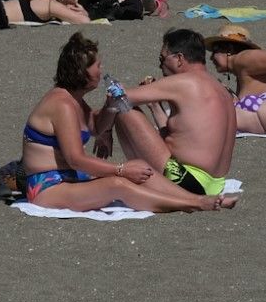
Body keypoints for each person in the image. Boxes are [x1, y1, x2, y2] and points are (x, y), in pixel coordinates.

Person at [12, 34, 234, 213]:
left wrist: (111, 106)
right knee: (119, 183)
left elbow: (97, 126)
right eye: (98, 65)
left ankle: (196, 199)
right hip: (46, 185)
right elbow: (76, 159)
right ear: (83, 71)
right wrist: (121, 169)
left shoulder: (75, 102)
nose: (102, 70)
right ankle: (195, 203)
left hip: (69, 178)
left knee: (138, 174)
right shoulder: (63, 105)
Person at [107, 29, 238, 198]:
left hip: (186, 181)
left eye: (162, 59)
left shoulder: (184, 82)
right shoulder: (220, 89)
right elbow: (178, 137)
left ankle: (144, 180)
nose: (160, 66)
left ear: (179, 59)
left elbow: (119, 97)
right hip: (215, 184)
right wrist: (155, 106)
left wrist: (104, 131)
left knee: (125, 110)